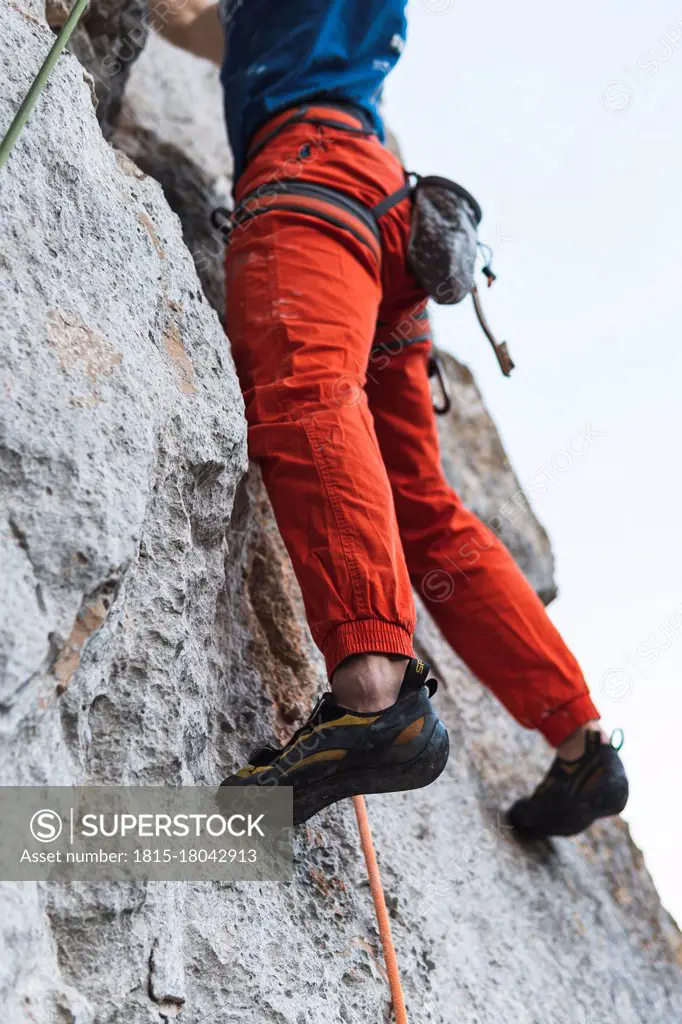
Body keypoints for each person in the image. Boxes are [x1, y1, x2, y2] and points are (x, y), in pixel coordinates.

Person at [149, 0, 628, 835]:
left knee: (305, 390)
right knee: (423, 508)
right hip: (382, 210)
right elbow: (188, 21)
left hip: (315, 183)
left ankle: (373, 697)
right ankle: (582, 743)